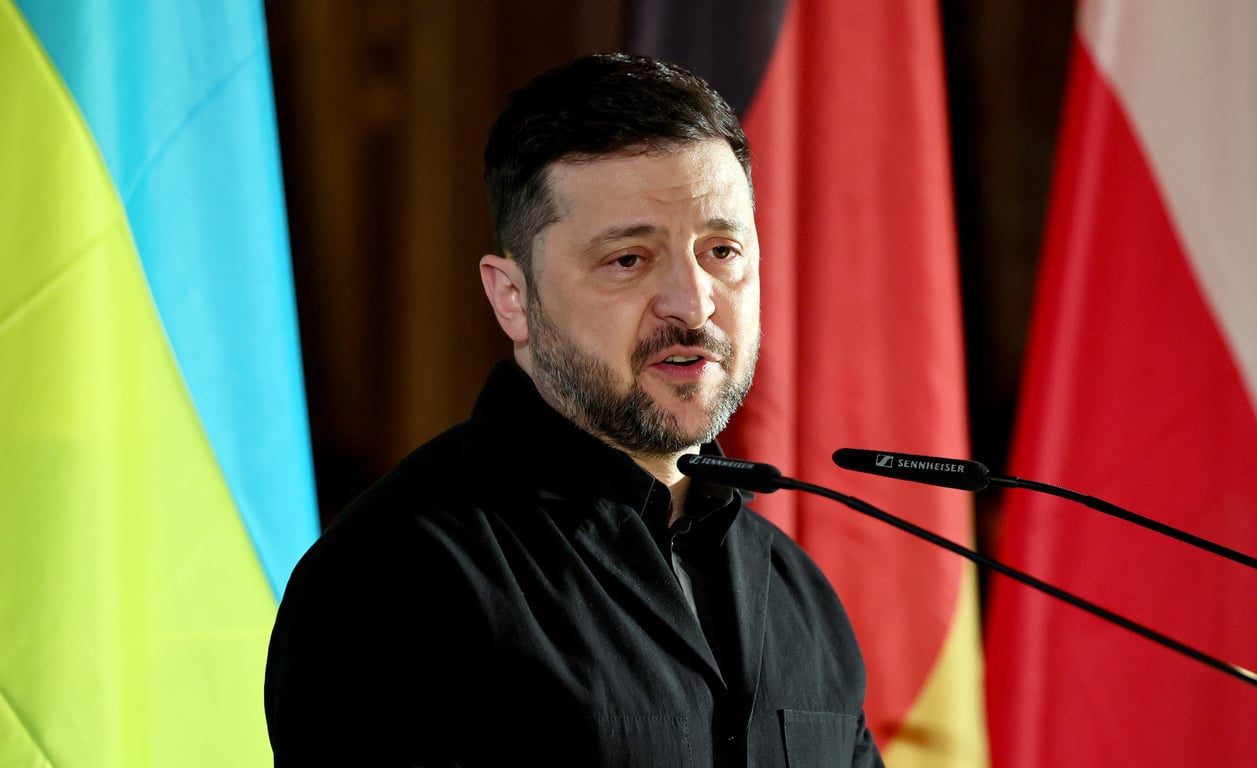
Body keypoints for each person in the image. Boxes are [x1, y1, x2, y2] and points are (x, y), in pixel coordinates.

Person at [264, 52, 883, 768]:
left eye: (721, 251)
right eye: (628, 259)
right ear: (511, 298)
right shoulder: (393, 576)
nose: (691, 303)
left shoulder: (798, 594)